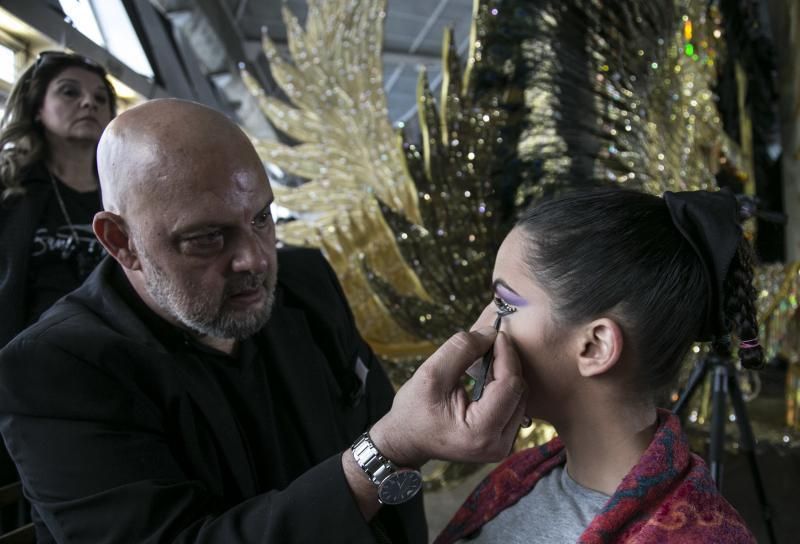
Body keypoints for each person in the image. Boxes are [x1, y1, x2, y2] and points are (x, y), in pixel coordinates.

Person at [0, 98, 528, 543]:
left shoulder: (303, 282)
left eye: (261, 218)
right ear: (121, 241)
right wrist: (387, 452)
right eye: (207, 238)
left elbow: (379, 447)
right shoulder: (52, 373)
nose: (254, 258)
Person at [436, 188, 758, 543]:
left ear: (595, 346)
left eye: (504, 304)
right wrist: (399, 446)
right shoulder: (516, 478)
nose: (479, 328)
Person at [0, 50, 116, 348]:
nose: (89, 102)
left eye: (100, 98)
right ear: (37, 107)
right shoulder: (9, 186)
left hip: (111, 361)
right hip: (22, 362)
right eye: (69, 92)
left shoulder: (126, 195)